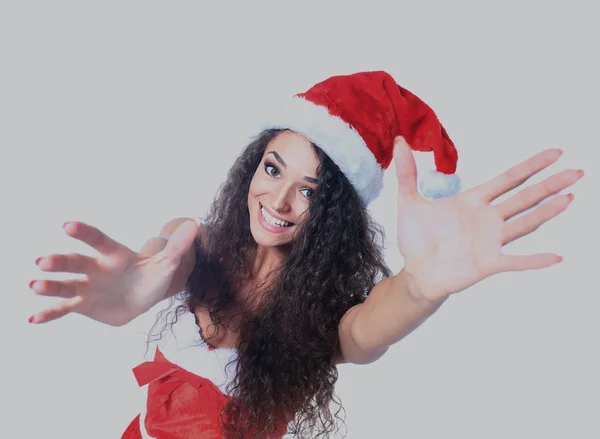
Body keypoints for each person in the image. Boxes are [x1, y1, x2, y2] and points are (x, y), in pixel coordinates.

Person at [28, 71, 584, 438]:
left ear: (336, 212)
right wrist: (131, 289)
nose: (280, 199)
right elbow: (159, 263)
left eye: (311, 191)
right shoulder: (197, 247)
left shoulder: (321, 318)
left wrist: (423, 284)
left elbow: (369, 329)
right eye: (273, 168)